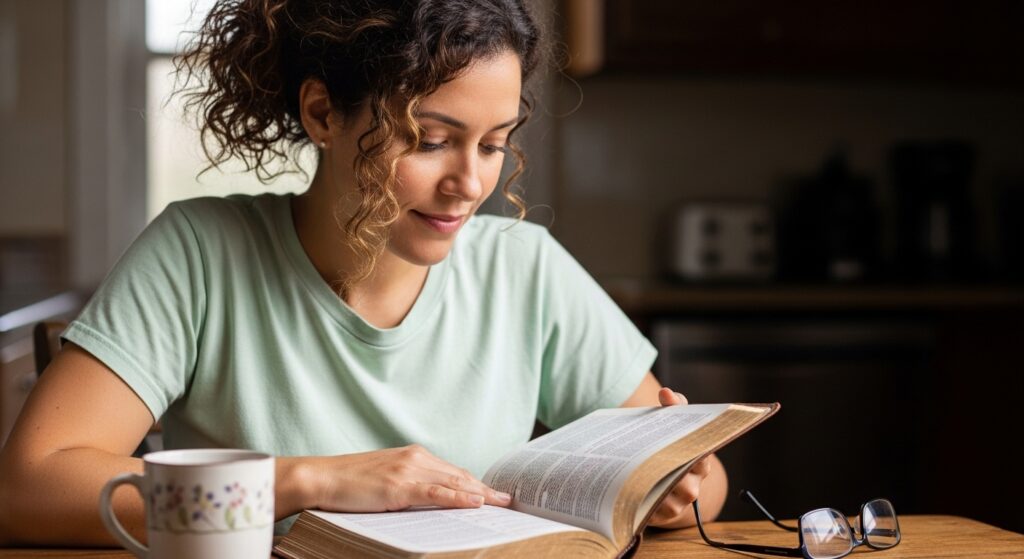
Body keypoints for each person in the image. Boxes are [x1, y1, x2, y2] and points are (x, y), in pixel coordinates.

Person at [0, 0, 727, 546]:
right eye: (432, 140)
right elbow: (29, 486)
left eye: (494, 144)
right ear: (321, 113)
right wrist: (311, 481)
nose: (468, 183)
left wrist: (674, 485)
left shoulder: (526, 267)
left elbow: (707, 486)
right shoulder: (200, 252)